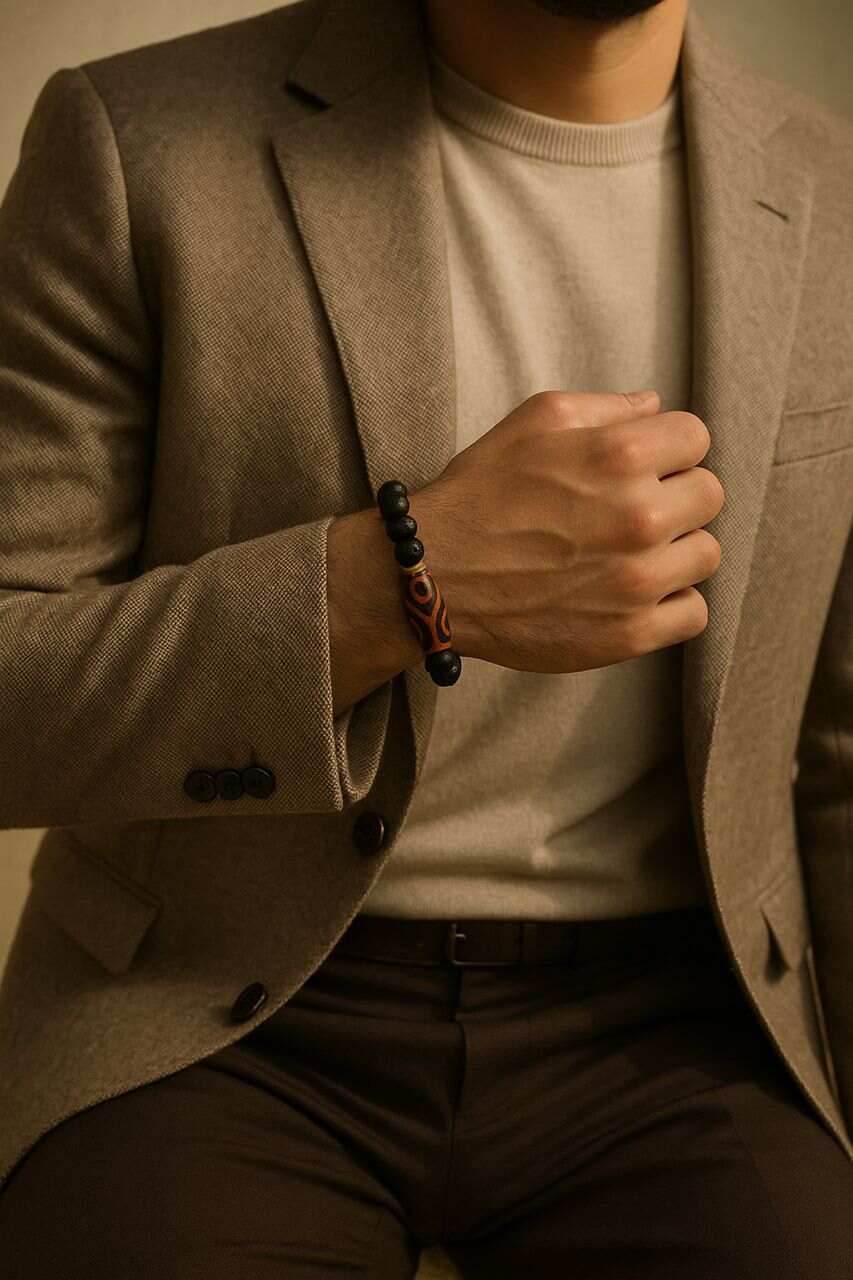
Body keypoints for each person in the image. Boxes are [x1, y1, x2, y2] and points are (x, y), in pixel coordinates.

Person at [0, 0, 852, 1274]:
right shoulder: (134, 142)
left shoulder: (836, 197)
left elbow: (842, 753)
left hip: (687, 1022)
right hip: (214, 1010)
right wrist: (391, 589)